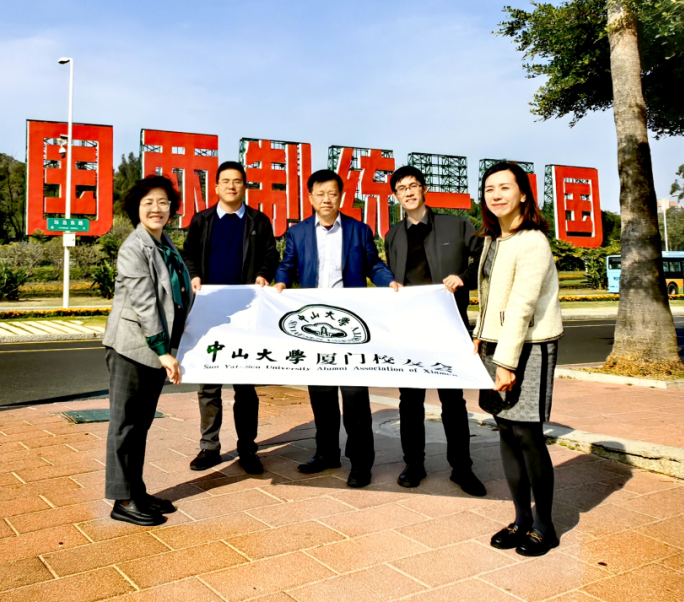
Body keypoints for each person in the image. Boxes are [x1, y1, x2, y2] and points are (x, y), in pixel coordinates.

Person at [273, 169, 400, 488]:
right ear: (310, 197)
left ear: (341, 196)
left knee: (355, 397)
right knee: (322, 395)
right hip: (314, 325)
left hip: (349, 325)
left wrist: (388, 282)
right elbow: (287, 265)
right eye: (320, 193)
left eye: (332, 193)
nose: (326, 199)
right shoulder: (298, 232)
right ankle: (326, 453)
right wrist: (280, 282)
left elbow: (373, 265)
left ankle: (360, 463)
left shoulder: (358, 230)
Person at [473, 162, 564, 557]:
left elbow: (522, 305)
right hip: (496, 344)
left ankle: (545, 526)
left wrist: (507, 363)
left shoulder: (533, 241)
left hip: (528, 346)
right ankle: (521, 519)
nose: (496, 195)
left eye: (505, 187)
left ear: (523, 194)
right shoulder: (495, 239)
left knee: (527, 434)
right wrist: (480, 335)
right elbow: (492, 297)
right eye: (489, 189)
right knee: (506, 432)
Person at [384, 165, 486, 496]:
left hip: (448, 326)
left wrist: (463, 278)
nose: (408, 192)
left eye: (413, 185)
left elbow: (483, 259)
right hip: (409, 329)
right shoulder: (393, 235)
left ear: (424, 189)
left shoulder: (457, 225)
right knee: (409, 401)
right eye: (402, 188)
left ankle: (462, 469)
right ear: (395, 196)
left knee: (452, 400)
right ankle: (413, 464)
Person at [102, 175, 193, 527]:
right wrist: (164, 351)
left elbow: (176, 294)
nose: (156, 209)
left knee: (140, 425)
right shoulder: (133, 247)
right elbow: (145, 304)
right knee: (125, 425)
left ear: (172, 209)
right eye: (148, 203)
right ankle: (123, 500)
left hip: (154, 349)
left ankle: (136, 491)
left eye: (163, 202)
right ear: (136, 209)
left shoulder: (164, 243)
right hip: (132, 347)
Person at [182, 160, 279, 475]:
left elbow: (271, 254)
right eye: (225, 181)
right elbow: (188, 253)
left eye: (237, 181)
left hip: (246, 315)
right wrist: (194, 275)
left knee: (245, 387)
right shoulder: (202, 220)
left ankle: (247, 449)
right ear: (216, 186)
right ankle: (209, 447)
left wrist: (264, 273)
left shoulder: (258, 220)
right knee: (209, 385)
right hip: (210, 313)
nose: (231, 186)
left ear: (244, 186)